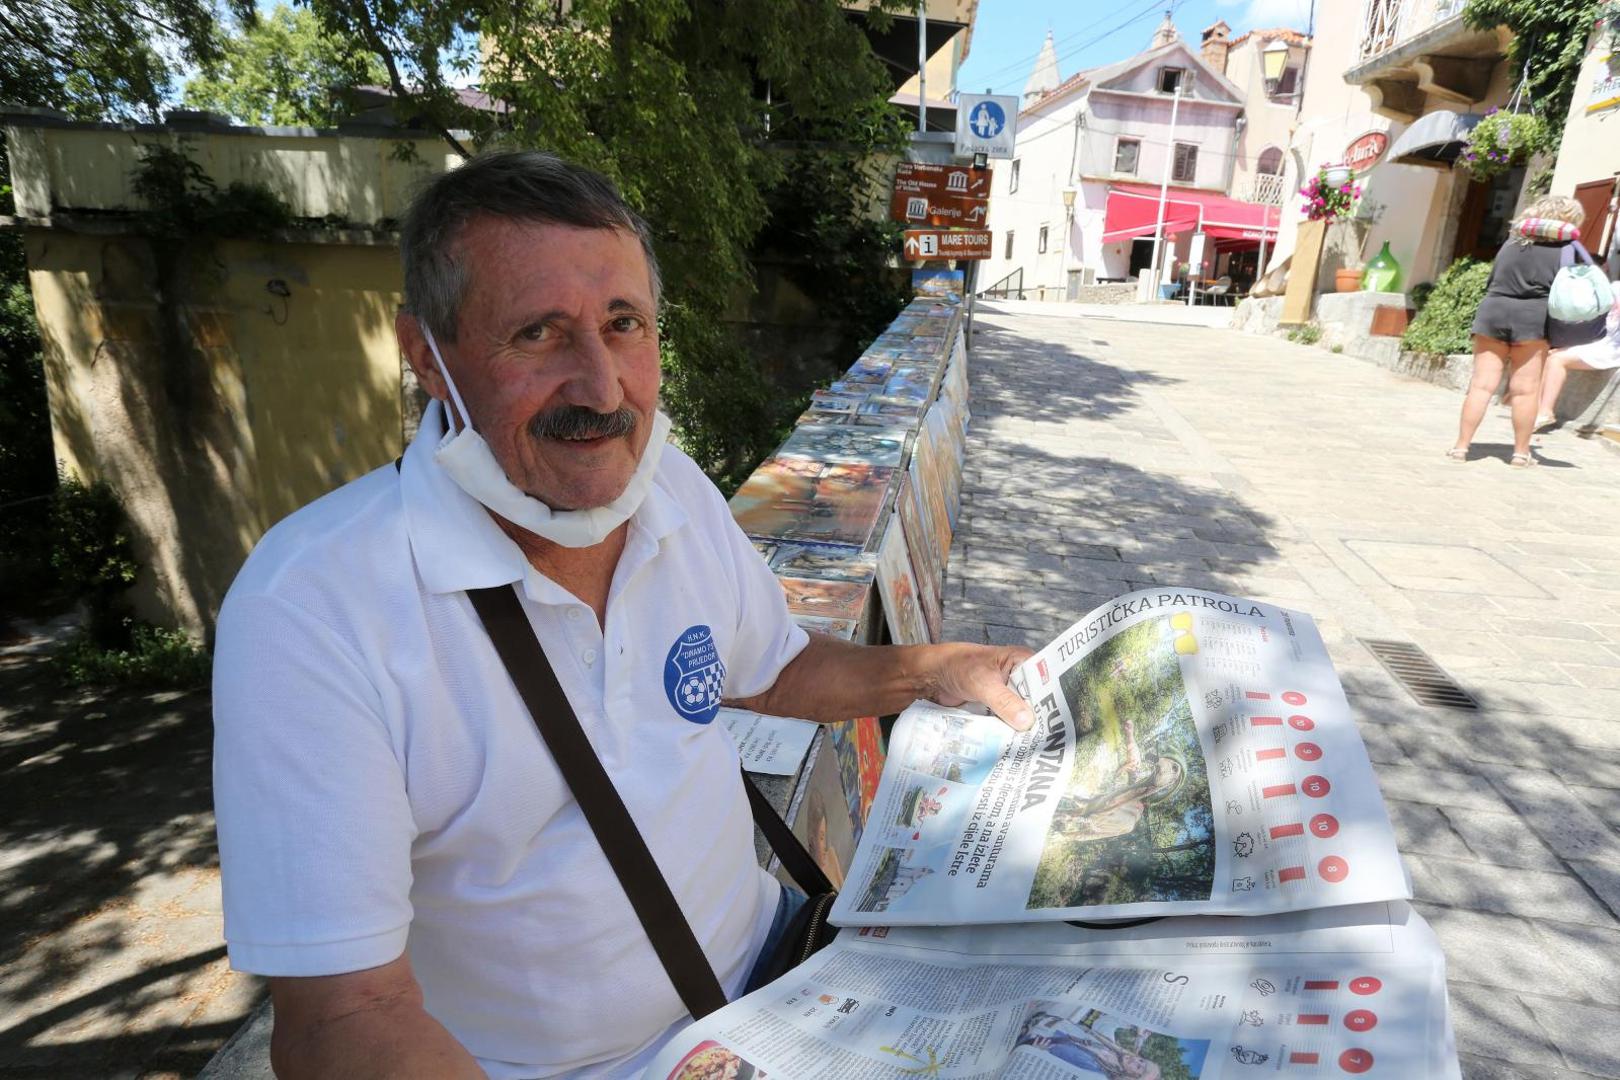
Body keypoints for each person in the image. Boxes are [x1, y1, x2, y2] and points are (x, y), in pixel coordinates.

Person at [211, 150, 1034, 1080]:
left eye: (623, 325)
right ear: (426, 355)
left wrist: (936, 671)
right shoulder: (313, 608)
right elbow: (341, 1019)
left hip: (783, 982)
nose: (603, 390)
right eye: (537, 333)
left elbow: (777, 668)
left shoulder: (667, 488)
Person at [1449, 195, 1587, 467]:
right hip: (1533, 319)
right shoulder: (1567, 249)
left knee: (1481, 385)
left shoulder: (1511, 242)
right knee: (1526, 390)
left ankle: (1460, 448)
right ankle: (1521, 454)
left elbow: (1492, 279)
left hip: (1493, 312)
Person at [1535, 271, 1620, 428]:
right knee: (1551, 355)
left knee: (1557, 360)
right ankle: (1537, 409)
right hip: (1599, 342)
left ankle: (1545, 411)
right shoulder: (1614, 287)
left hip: (1612, 348)